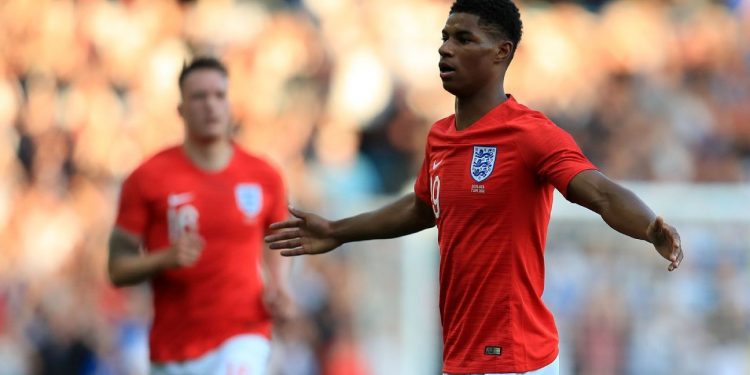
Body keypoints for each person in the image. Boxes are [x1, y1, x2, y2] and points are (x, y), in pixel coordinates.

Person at [264, 1, 684, 374]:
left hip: (515, 358)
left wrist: (649, 227)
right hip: (462, 356)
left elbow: (601, 192)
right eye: (445, 37)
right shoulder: (440, 136)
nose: (446, 48)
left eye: (464, 39)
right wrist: (338, 231)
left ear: (501, 52)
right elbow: (423, 209)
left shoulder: (530, 133)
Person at [108, 56, 294, 374]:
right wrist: (163, 259)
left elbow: (277, 241)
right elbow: (117, 268)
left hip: (244, 333)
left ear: (231, 104)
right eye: (199, 97)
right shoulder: (147, 178)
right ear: (180, 110)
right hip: (174, 347)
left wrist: (279, 286)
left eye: (219, 95)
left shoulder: (264, 176)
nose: (211, 105)